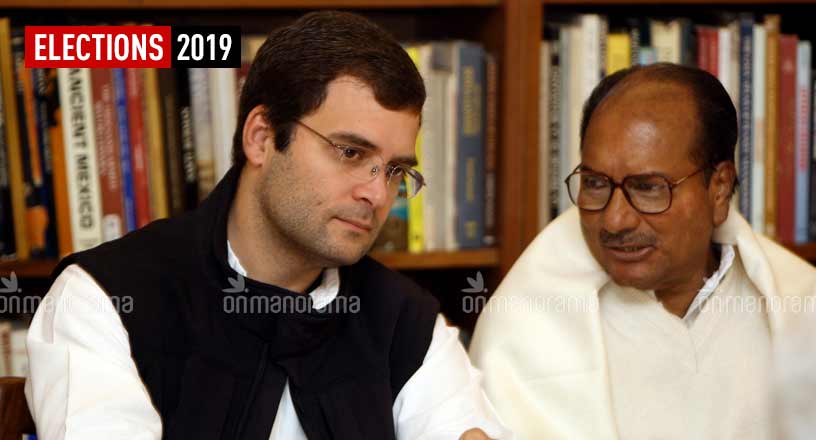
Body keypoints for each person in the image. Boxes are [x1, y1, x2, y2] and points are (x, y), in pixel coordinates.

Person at [25, 11, 505, 440]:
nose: (378, 195)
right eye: (350, 153)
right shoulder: (102, 299)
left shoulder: (406, 322)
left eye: (395, 170)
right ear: (261, 138)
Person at [469, 63, 816, 439]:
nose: (615, 220)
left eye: (648, 187)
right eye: (596, 184)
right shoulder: (523, 331)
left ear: (718, 188)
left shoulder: (811, 316)